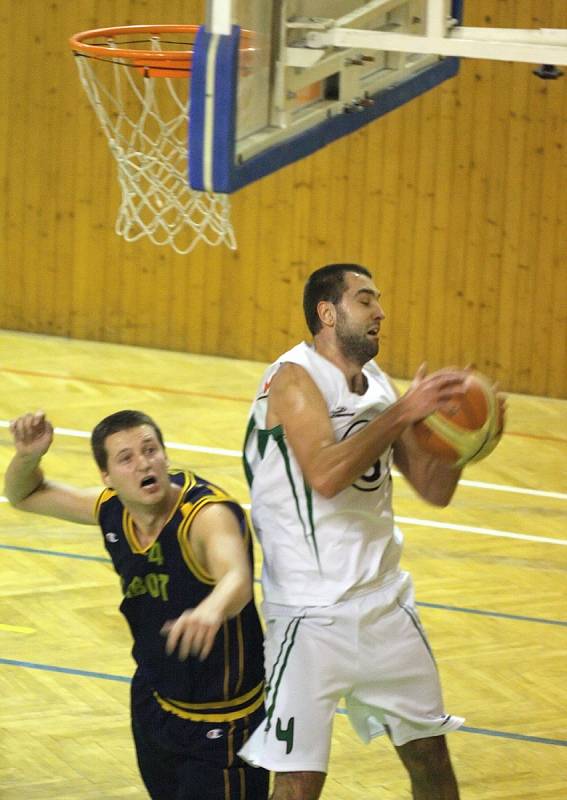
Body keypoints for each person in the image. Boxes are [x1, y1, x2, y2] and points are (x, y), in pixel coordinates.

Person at [239, 263, 501, 800]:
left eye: (378, 300)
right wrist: (404, 411)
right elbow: (328, 474)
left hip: (386, 608)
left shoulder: (378, 385)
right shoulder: (292, 378)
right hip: (308, 619)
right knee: (297, 784)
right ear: (327, 313)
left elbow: (435, 490)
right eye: (365, 300)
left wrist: (466, 442)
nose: (380, 311)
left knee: (431, 760)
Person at [4, 409, 269, 800]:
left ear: (165, 456)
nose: (144, 462)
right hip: (154, 702)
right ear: (107, 478)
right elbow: (23, 494)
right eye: (126, 457)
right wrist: (28, 456)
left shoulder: (205, 515)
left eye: (150, 450)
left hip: (222, 726)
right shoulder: (112, 508)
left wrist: (212, 609)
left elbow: (237, 578)